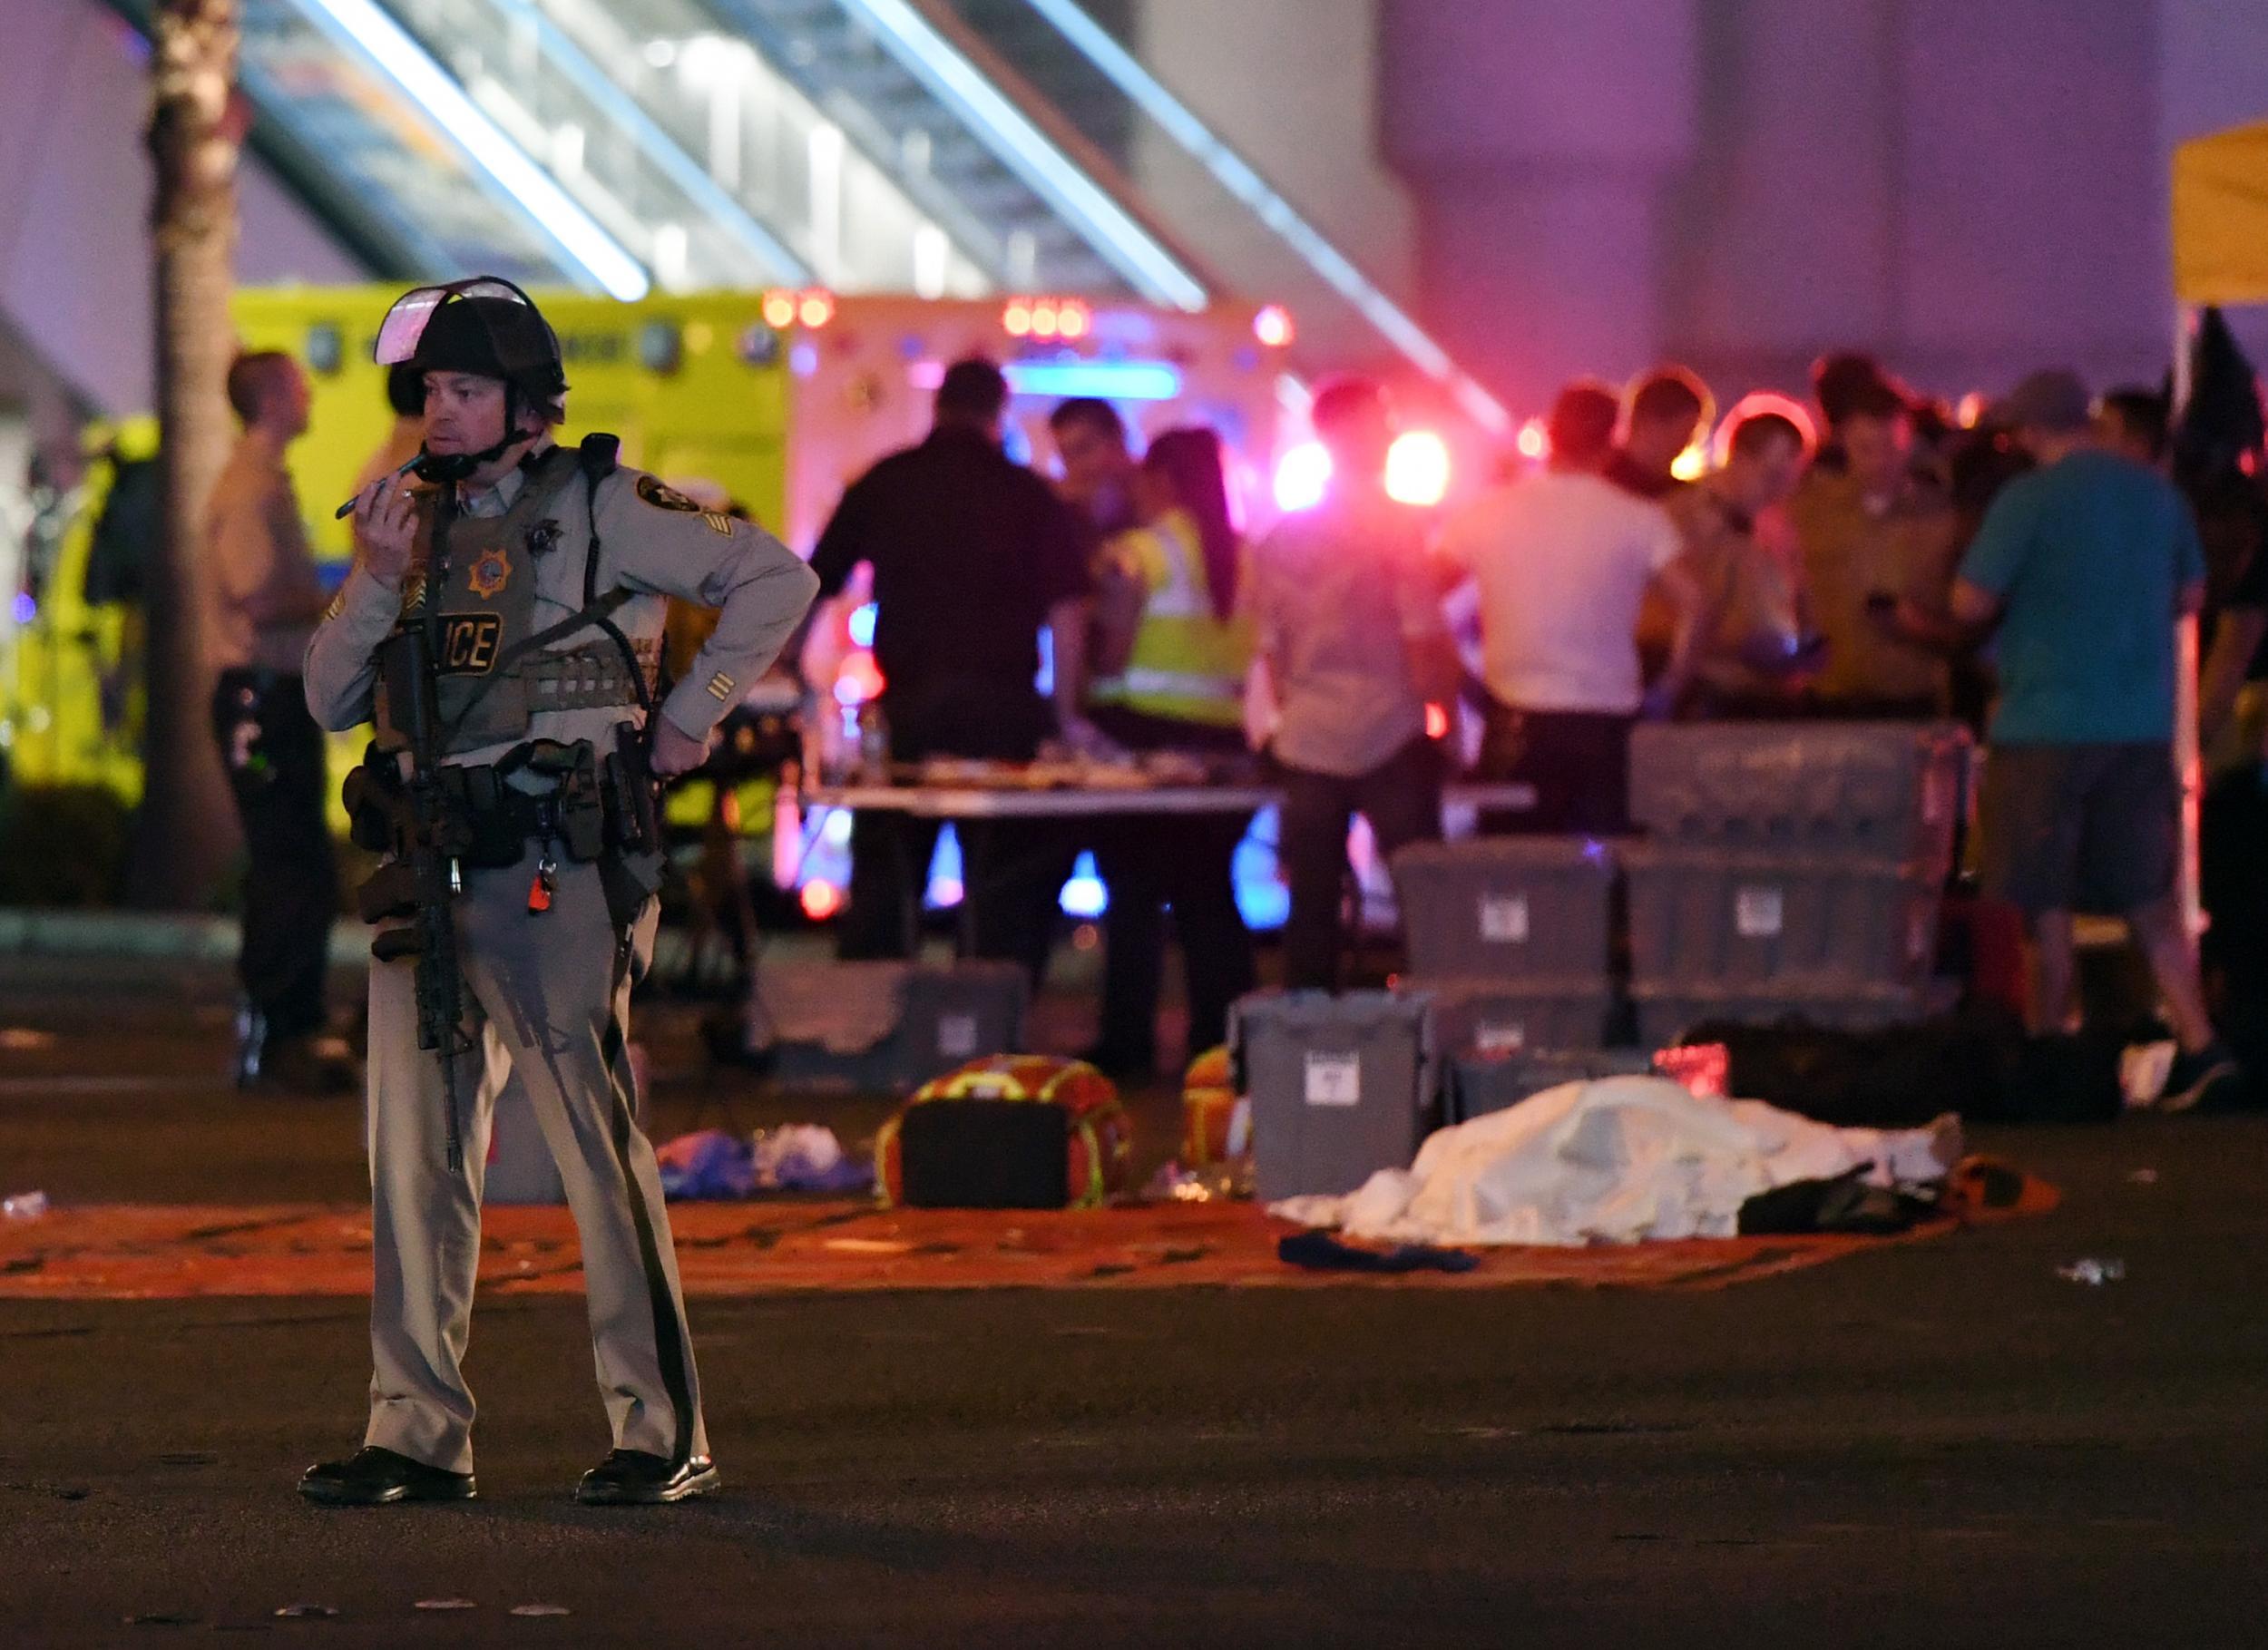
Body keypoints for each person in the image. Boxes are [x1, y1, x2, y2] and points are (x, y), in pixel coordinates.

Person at [298, 278, 817, 1507]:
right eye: (431, 388)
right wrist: (376, 576)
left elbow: (775, 580)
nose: (441, 411)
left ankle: (661, 1430)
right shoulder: (406, 527)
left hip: (558, 865)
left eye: (467, 389)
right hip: (428, 868)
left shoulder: (599, 504)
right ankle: (415, 1433)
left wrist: (691, 718)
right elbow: (327, 696)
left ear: (527, 403)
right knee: (412, 1153)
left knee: (594, 1142)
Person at [1954, 367, 2238, 1111]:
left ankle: (2053, 1052)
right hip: (2139, 725)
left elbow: (1970, 597)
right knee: (2150, 895)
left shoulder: (2026, 501)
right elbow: (2190, 594)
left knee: (2039, 898)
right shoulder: (2156, 494)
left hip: (2042, 724)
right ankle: (2204, 1045)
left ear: (2025, 432)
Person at [809, 359, 1096, 977]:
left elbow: (814, 579)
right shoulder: (1028, 493)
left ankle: (875, 1020)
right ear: (999, 414)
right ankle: (990, 1023)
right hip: (1004, 715)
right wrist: (1067, 713)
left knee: (889, 876)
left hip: (910, 711)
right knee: (1004, 888)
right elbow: (1069, 611)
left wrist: (781, 676)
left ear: (938, 407)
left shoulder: (889, 481)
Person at [1246, 378, 1460, 990]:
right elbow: (1423, 639)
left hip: (1308, 740)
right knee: (1424, 899)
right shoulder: (1395, 530)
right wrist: (1442, 724)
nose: (1390, 432)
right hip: (1389, 730)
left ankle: (1305, 1035)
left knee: (1310, 905)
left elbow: (1272, 654)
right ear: (1351, 433)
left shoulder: (1280, 538)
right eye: (1380, 421)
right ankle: (1428, 1028)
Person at [1440, 380, 1701, 835]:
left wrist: (1462, 679)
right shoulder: (1639, 518)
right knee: (1603, 865)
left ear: (1550, 433)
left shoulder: (1485, 514)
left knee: (1512, 873)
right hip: (1607, 720)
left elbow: (1427, 600)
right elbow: (1697, 604)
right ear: (1612, 438)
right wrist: (1670, 686)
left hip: (1514, 720)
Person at [1076, 426, 1257, 1075]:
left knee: (1133, 896)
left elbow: (1114, 647)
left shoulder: (1139, 552)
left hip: (1143, 737)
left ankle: (1128, 1044)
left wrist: (1083, 693)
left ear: (1164, 481)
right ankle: (1226, 1044)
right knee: (1210, 894)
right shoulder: (1243, 553)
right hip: (1226, 742)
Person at [203, 350, 347, 1091]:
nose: (309, 394)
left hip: (270, 694)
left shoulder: (262, 482)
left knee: (290, 860)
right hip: (263, 694)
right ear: (268, 398)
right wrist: (337, 596)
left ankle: (285, 1023)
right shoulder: (252, 489)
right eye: (297, 384)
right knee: (289, 861)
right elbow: (256, 598)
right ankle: (282, 1029)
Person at [1791, 379, 1960, 718]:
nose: (1880, 461)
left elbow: (1968, 623)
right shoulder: (1808, 512)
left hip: (1911, 701)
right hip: (1827, 701)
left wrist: (1921, 626)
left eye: (1890, 447)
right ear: (1844, 443)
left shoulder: (1943, 518)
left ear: (1909, 442)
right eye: (1866, 448)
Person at [1671, 409, 1817, 716]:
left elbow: (1798, 594)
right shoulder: (1683, 515)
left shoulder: (1776, 523)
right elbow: (1675, 611)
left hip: (1770, 695)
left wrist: (1805, 643)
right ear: (1739, 458)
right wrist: (1738, 645)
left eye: (1791, 477)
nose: (1782, 489)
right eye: (1773, 475)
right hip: (1709, 695)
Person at [1605, 367, 1710, 501]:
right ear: (1651, 424)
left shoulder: (1597, 478)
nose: (1687, 445)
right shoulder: (1679, 502)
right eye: (1684, 434)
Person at [1049, 396, 1141, 538]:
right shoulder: (1076, 523)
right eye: (1066, 456)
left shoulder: (1164, 507)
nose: (1076, 466)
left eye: (1084, 448)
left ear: (1117, 437)